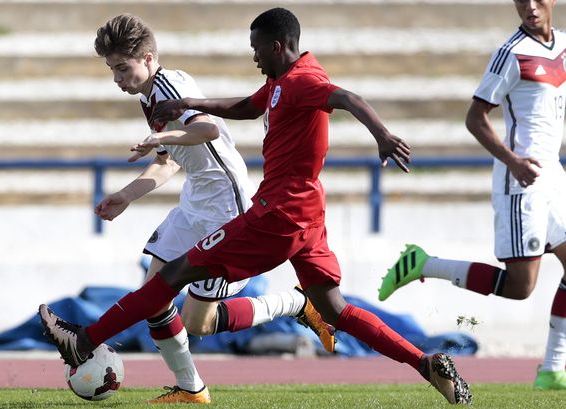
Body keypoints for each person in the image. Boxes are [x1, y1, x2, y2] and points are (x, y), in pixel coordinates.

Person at [39, 8, 472, 405]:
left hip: (262, 213)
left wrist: (381, 134)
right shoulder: (276, 85)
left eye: (256, 49)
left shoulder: (300, 81)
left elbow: (337, 99)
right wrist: (133, 187)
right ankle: (425, 363)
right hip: (292, 213)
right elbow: (238, 112)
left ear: (277, 46)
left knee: (178, 290)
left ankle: (86, 340)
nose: (253, 57)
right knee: (333, 309)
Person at [88, 14, 335, 404]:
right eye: (112, 69)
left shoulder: (171, 84)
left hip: (224, 203)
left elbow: (208, 129)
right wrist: (126, 195)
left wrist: (160, 135)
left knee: (196, 322)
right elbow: (170, 160)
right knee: (153, 295)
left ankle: (296, 303)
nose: (117, 77)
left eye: (122, 67)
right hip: (194, 203)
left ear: (148, 58)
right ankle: (192, 388)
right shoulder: (147, 96)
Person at [379, 0, 566, 391]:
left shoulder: (562, 47)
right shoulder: (510, 53)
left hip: (554, 176)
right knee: (520, 287)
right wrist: (513, 161)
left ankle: (552, 369)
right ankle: (423, 264)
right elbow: (474, 117)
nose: (529, 7)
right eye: (520, 0)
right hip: (521, 180)